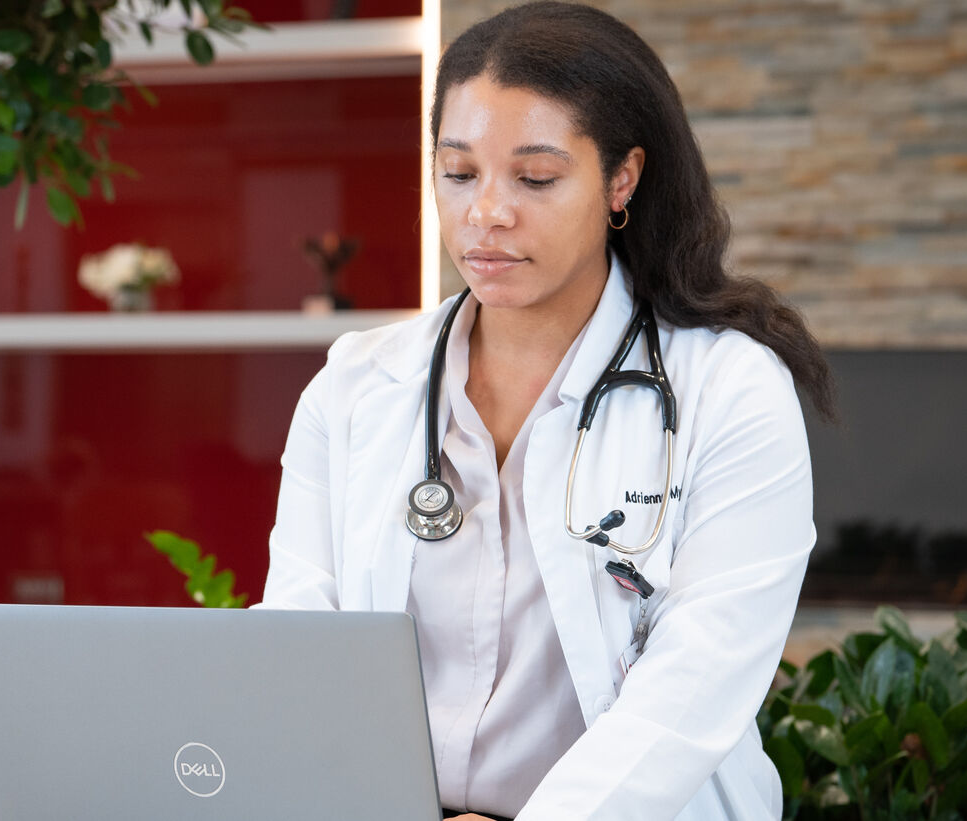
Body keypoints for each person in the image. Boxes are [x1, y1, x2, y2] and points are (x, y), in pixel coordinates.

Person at [257, 2, 838, 818]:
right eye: (458, 172)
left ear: (622, 179)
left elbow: (695, 685)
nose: (485, 212)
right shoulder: (356, 387)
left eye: (534, 177)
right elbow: (298, 647)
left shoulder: (730, 390)